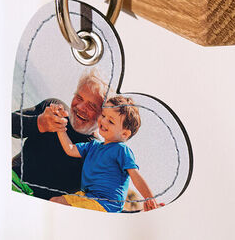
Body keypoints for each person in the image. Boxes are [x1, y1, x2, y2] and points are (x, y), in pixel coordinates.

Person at [50, 95, 161, 213]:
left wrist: (150, 198)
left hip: (106, 204)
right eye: (103, 115)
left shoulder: (121, 150)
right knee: (54, 201)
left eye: (110, 121)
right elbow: (70, 149)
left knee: (62, 208)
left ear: (124, 134)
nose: (103, 121)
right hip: (88, 196)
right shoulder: (93, 146)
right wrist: (60, 128)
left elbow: (135, 176)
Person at [11, 69, 107, 200]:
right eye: (79, 98)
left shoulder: (96, 154)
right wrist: (38, 123)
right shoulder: (53, 109)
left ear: (103, 117)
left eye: (91, 106)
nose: (80, 107)